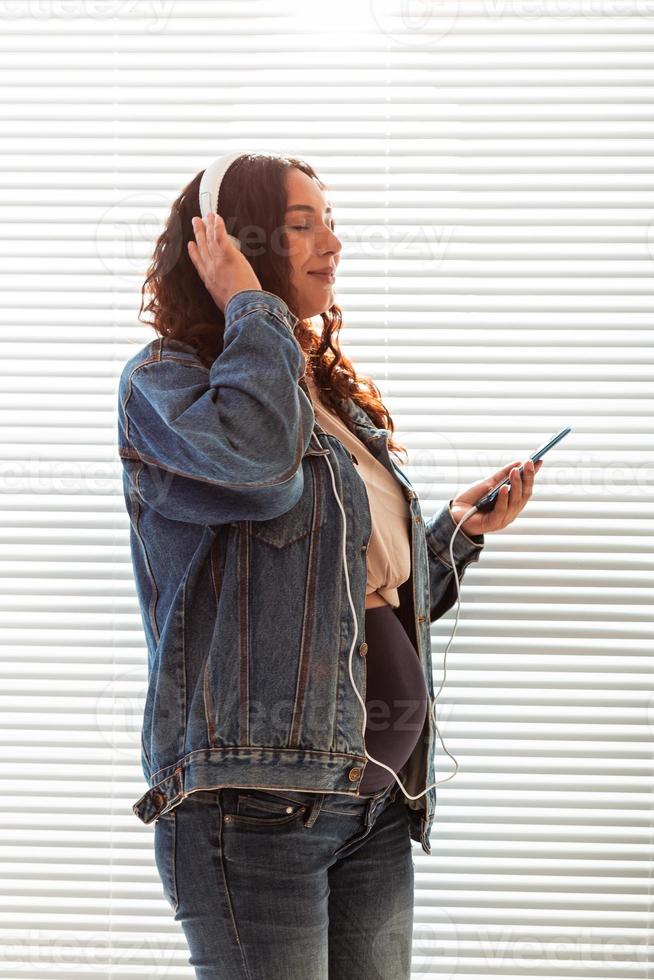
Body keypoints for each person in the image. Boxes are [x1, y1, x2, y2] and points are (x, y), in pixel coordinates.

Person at [117, 152, 542, 979]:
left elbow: (361, 593)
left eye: (332, 221)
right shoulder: (168, 388)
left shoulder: (328, 402)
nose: (333, 242)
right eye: (303, 223)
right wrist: (250, 303)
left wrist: (457, 528)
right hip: (255, 813)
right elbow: (258, 465)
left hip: (374, 801)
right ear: (224, 242)